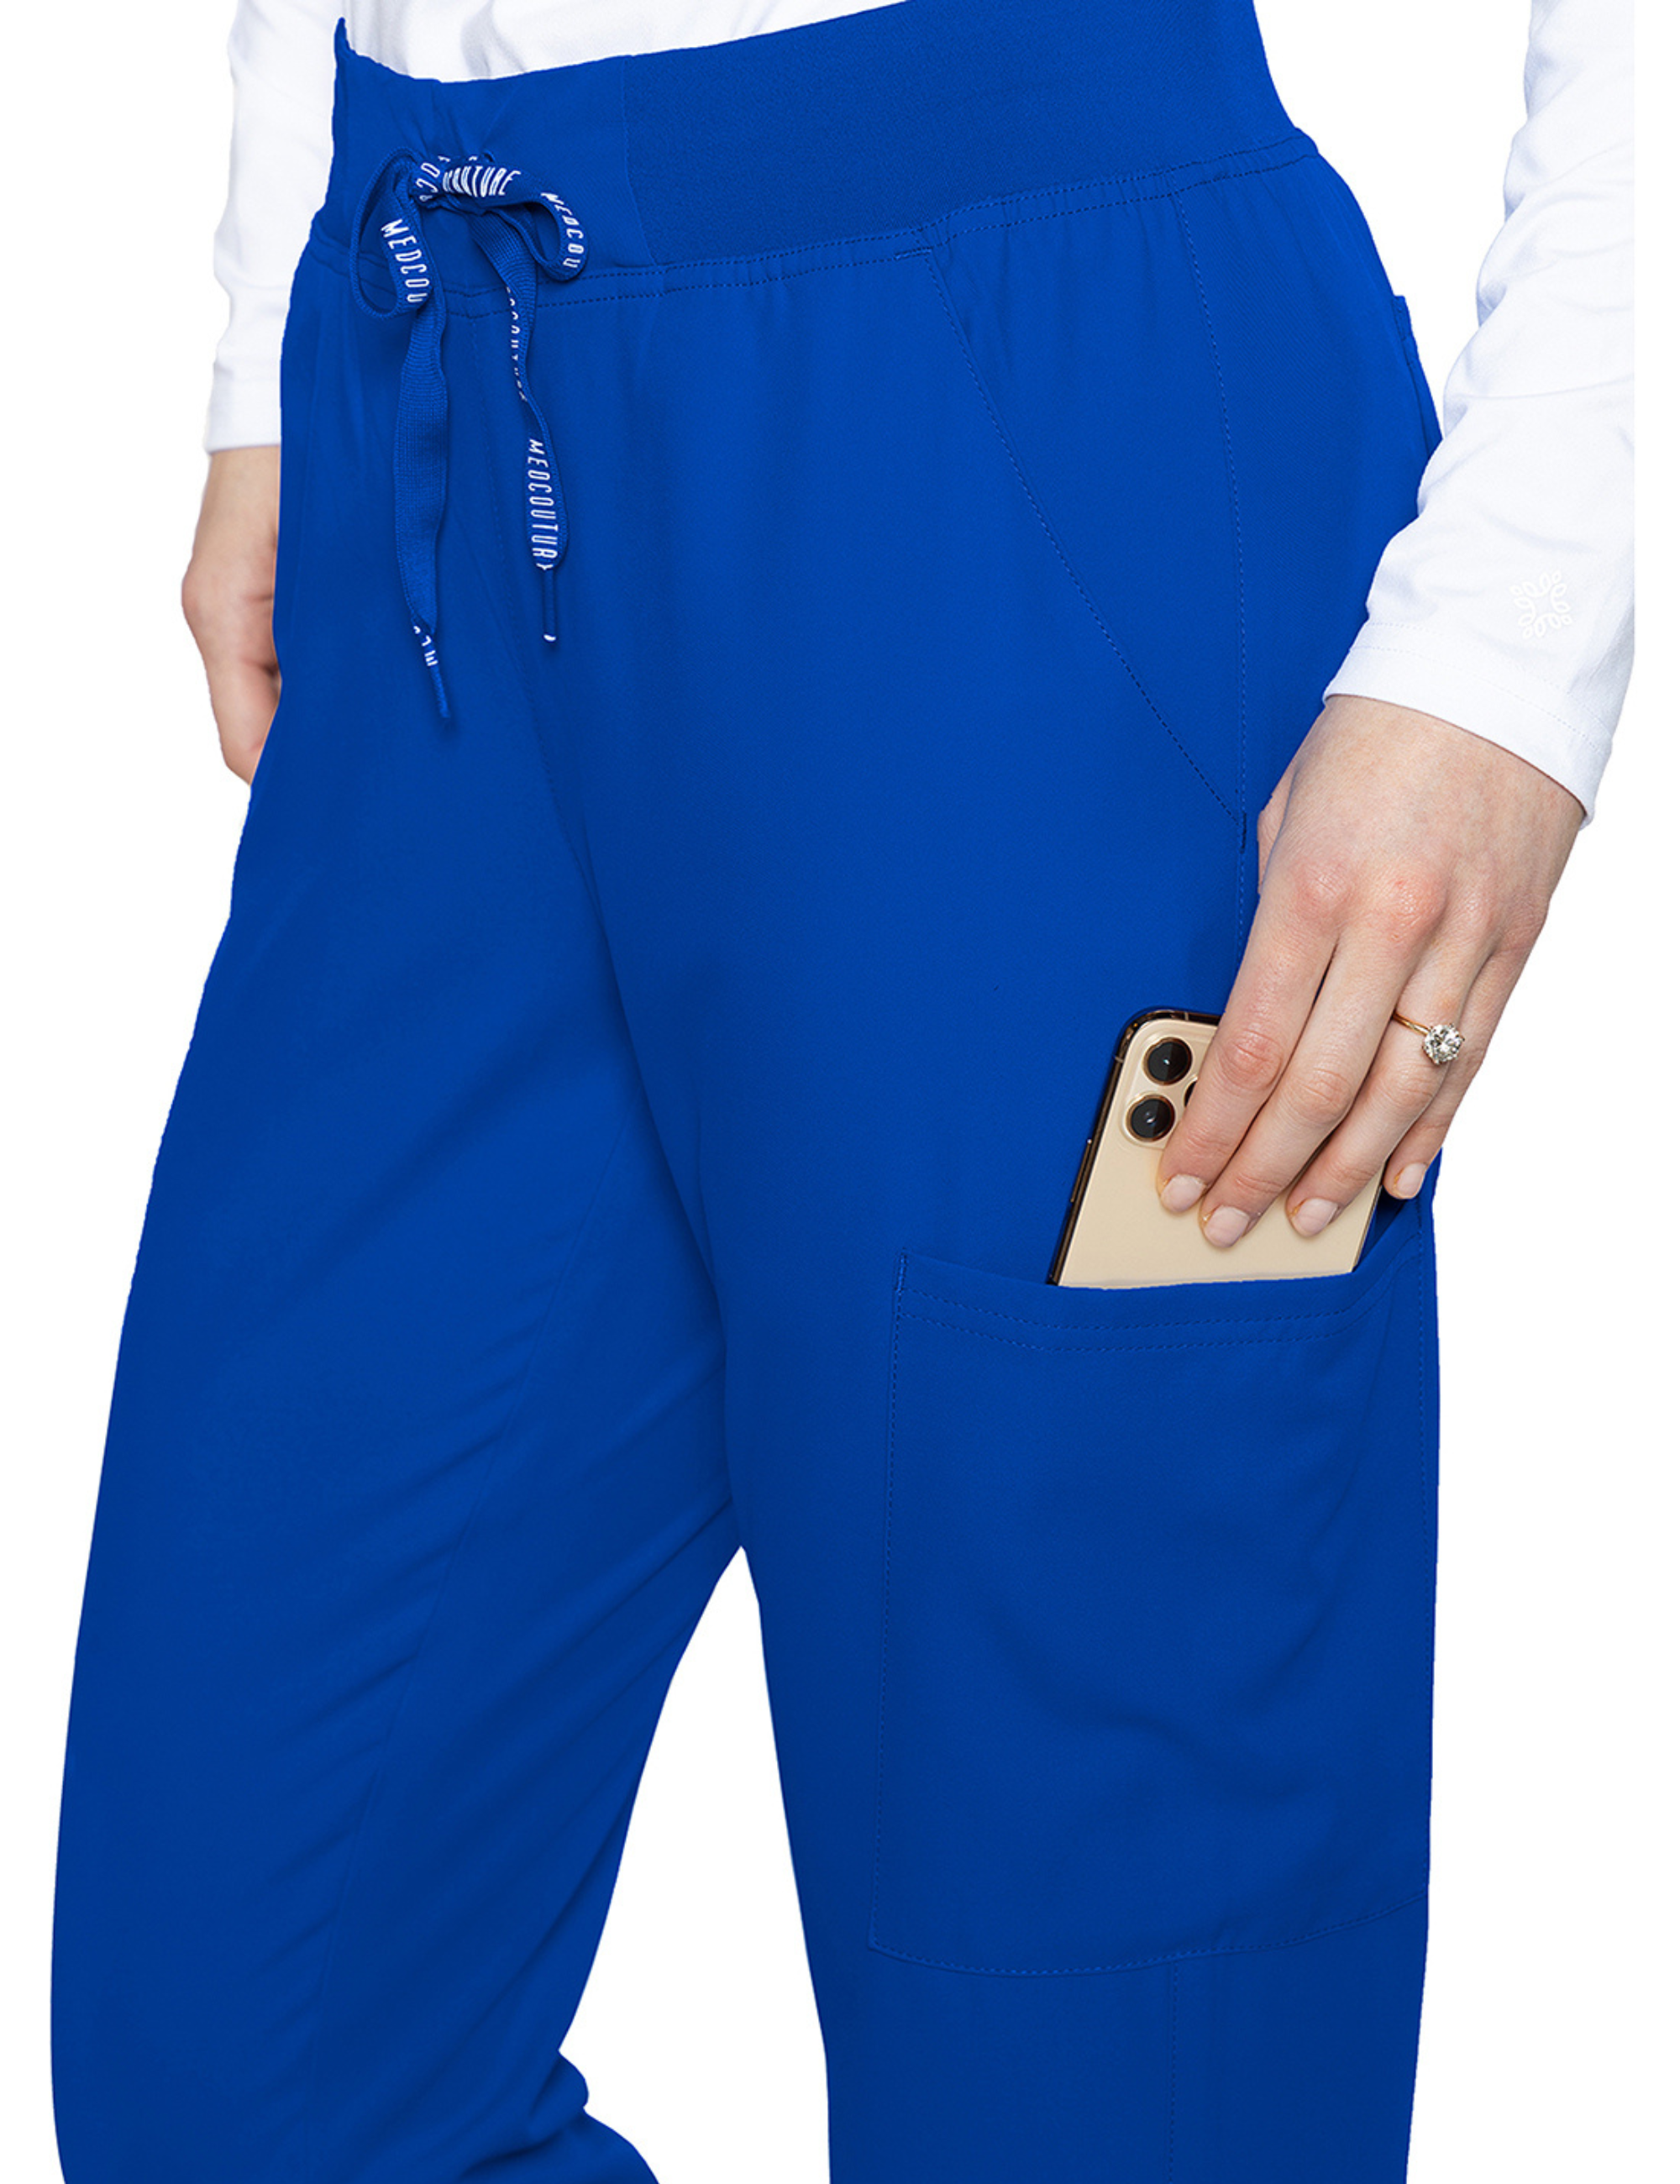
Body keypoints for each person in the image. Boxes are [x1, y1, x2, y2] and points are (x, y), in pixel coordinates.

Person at [50, 0, 1632, 2178]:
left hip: (1014, 436)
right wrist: (267, 324)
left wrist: (1519, 633)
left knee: (1097, 2048)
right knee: (247, 2068)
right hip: (429, 406)